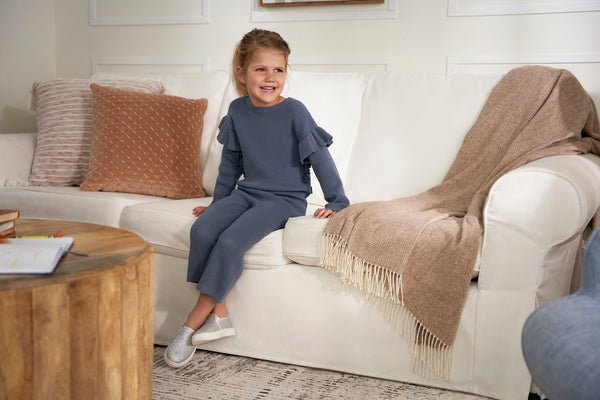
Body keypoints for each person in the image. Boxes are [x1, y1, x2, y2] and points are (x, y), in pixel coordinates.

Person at [164, 28, 350, 368]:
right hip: (247, 193)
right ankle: (219, 313)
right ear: (242, 72)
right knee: (203, 230)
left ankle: (191, 323)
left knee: (231, 242)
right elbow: (230, 164)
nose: (270, 78)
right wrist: (218, 203)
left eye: (278, 70)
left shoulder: (295, 112)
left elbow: (320, 157)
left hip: (284, 199)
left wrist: (337, 201)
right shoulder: (237, 111)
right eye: (261, 69)